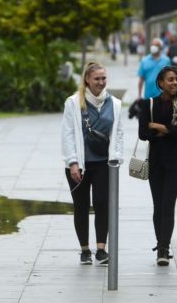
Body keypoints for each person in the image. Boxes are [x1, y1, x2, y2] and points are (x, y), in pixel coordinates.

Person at [61, 62, 125, 265]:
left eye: (103, 78)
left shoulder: (115, 103)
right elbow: (67, 134)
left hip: (103, 164)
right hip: (79, 165)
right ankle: (84, 250)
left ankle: (101, 249)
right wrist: (72, 162)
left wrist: (116, 158)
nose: (101, 82)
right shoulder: (73, 103)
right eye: (97, 78)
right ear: (87, 80)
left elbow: (119, 133)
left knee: (102, 204)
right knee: (81, 206)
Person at [138, 66, 177, 266]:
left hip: (176, 163)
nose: (175, 82)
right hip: (156, 162)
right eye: (170, 79)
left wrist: (156, 126)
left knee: (168, 205)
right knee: (158, 206)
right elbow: (143, 134)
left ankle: (163, 249)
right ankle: (160, 244)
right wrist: (168, 130)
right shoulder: (148, 104)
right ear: (160, 83)